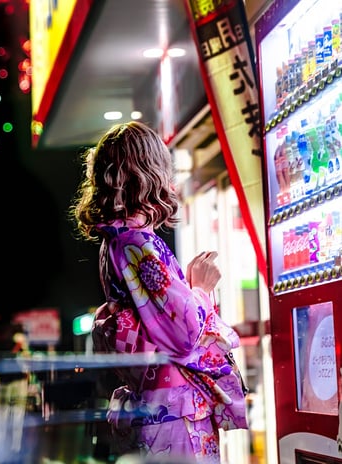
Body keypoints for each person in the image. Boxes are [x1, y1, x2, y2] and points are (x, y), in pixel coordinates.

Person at [69, 121, 248, 463]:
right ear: (149, 171)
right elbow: (185, 333)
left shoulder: (117, 240)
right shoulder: (139, 243)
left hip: (152, 404)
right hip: (174, 410)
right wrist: (201, 286)